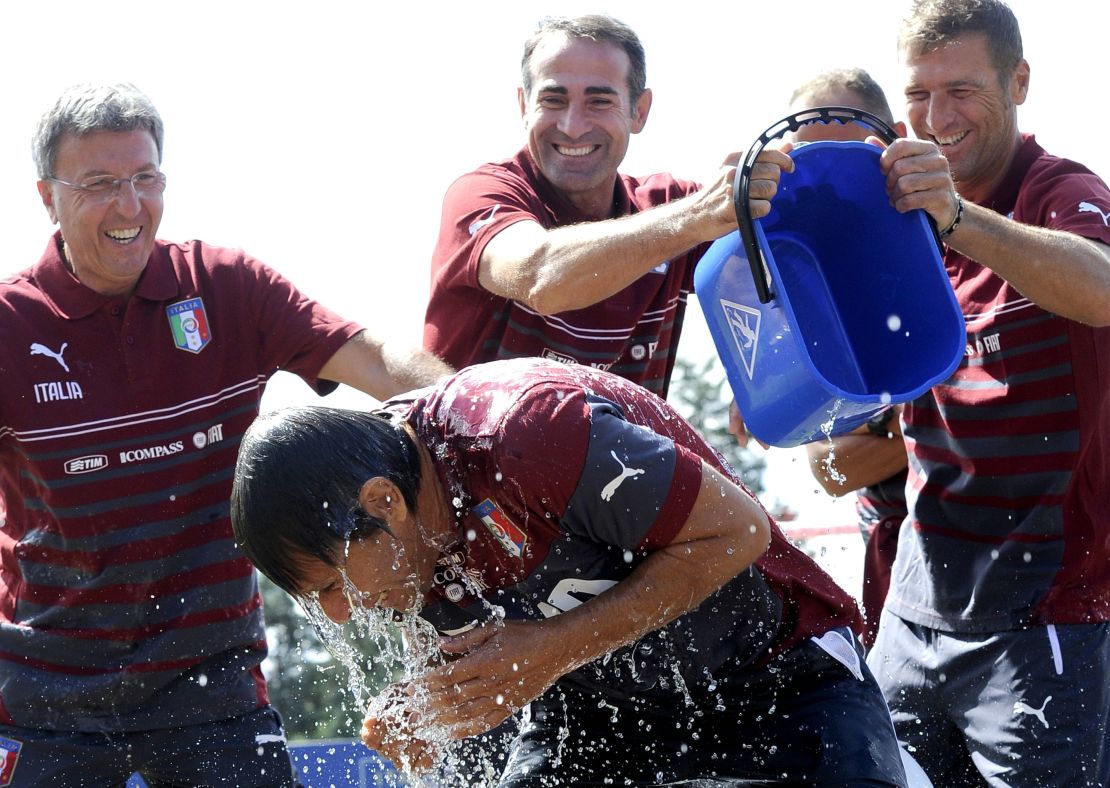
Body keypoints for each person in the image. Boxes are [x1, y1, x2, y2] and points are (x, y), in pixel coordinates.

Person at [0, 82, 452, 787]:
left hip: (214, 688)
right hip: (47, 696)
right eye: (99, 184)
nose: (130, 206)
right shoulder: (9, 325)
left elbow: (374, 359)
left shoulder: (224, 287)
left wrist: (482, 409)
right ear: (46, 195)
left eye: (145, 178)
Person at [230, 357, 911, 787]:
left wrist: (554, 647)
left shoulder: (525, 435)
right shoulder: (386, 531)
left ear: (385, 501)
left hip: (775, 667)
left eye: (329, 584)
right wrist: (428, 720)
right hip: (600, 709)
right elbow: (491, 675)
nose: (342, 612)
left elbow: (739, 531)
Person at [865, 1, 1110, 785]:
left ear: (1020, 81)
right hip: (914, 610)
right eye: (917, 94)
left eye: (962, 90)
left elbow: (1103, 288)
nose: (936, 118)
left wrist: (959, 218)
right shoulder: (897, 216)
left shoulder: (1058, 190)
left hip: (1049, 615)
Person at [423, 14, 791, 398]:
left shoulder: (671, 205)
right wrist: (700, 214)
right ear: (523, 105)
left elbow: (801, 265)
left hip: (622, 457)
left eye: (599, 101)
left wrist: (773, 371)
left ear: (639, 111)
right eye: (553, 99)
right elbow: (541, 278)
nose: (573, 125)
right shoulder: (482, 194)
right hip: (464, 455)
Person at [787, 67, 911, 651]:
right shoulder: (808, 288)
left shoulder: (956, 242)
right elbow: (830, 468)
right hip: (892, 567)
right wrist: (931, 434)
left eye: (842, 151)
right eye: (804, 159)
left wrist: (887, 433)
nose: (824, 177)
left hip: (1014, 566)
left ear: (892, 142)